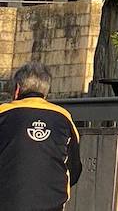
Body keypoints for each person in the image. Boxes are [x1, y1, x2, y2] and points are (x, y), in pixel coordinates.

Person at [0, 61, 82, 210]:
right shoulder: (63, 117)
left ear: (17, 89)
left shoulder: (3, 113)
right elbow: (74, 169)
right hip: (52, 204)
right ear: (46, 92)